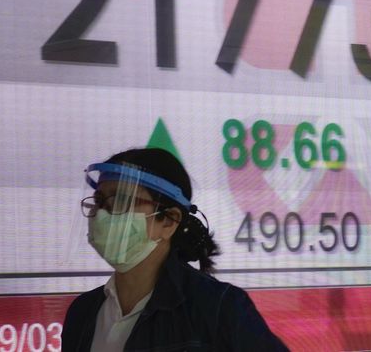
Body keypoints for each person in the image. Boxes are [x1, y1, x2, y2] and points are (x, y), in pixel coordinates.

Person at [62, 147, 289, 351]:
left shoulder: (218, 308)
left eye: (121, 201)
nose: (102, 214)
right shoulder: (82, 313)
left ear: (169, 221)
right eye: (99, 201)